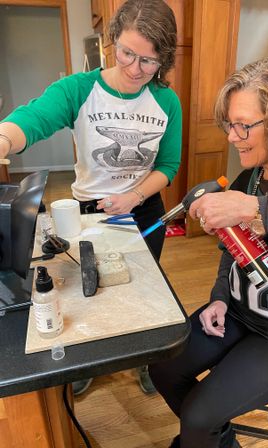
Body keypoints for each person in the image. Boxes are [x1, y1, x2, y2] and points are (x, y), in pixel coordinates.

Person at [149, 55, 268, 448]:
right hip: (237, 312)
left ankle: (204, 433)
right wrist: (219, 296)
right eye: (229, 124)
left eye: (243, 126)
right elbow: (232, 247)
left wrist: (258, 210)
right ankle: (215, 438)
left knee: (199, 415)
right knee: (162, 369)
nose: (231, 137)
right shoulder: (248, 177)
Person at [0, 0, 182, 395]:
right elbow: (34, 118)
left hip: (143, 210)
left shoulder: (167, 102)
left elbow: (168, 166)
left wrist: (133, 195)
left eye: (149, 61)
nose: (136, 69)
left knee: (142, 289)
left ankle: (144, 359)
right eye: (127, 53)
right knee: (90, 289)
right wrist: (3, 139)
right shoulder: (79, 90)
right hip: (87, 212)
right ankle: (87, 359)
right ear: (111, 42)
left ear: (163, 60)